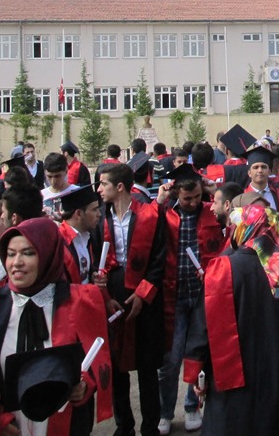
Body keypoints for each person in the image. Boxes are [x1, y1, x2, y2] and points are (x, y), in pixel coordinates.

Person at [0, 217, 113, 436]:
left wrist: (85, 385)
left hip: (65, 425)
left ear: (48, 255)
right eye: (11, 254)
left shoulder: (78, 301)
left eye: (28, 253)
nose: (16, 262)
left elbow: (98, 356)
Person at [181, 205, 279, 435]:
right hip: (272, 369)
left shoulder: (223, 269)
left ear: (244, 229)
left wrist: (196, 371)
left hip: (232, 372)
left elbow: (203, 324)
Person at [97, 163, 168, 436]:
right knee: (117, 367)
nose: (99, 189)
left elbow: (160, 258)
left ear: (119, 187)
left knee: (147, 367)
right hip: (114, 292)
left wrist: (143, 294)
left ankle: (150, 427)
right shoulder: (100, 217)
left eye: (103, 184)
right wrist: (105, 296)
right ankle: (123, 426)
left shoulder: (151, 215)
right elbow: (95, 257)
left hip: (145, 294)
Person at [155, 164, 224, 434]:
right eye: (187, 198)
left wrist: (214, 191)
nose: (193, 202)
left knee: (198, 354)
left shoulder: (210, 212)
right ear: (176, 194)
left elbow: (232, 216)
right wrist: (159, 202)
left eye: (197, 196)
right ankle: (164, 412)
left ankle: (192, 406)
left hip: (202, 295)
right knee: (171, 360)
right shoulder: (164, 214)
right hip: (173, 295)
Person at [58, 186, 104, 285]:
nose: (99, 214)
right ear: (78, 213)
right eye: (94, 210)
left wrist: (92, 276)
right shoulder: (59, 242)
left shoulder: (87, 236)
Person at [42, 153, 79, 220]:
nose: (53, 181)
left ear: (66, 170)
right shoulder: (41, 195)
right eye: (49, 176)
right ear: (45, 173)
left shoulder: (77, 192)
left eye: (57, 176)